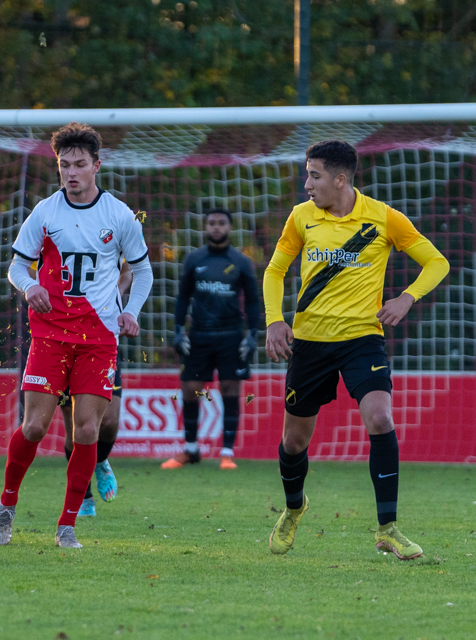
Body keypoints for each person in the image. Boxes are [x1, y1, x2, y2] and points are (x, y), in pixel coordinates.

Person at [264, 140, 449, 559]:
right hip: (309, 342)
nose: (306, 184)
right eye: (307, 174)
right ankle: (294, 509)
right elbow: (275, 270)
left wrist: (407, 298)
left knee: (381, 418)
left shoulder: (384, 218)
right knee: (294, 442)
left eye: (314, 175)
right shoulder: (301, 218)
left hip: (362, 340)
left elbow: (437, 262)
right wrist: (274, 319)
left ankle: (388, 528)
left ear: (340, 179)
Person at [0, 122, 153, 548]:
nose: (72, 172)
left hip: (99, 339)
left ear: (97, 166)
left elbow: (144, 269)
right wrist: (31, 287)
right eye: (65, 165)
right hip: (50, 336)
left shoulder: (118, 214)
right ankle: (6, 505)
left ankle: (67, 525)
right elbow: (15, 267)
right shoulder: (45, 212)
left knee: (86, 431)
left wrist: (131, 311)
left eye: (80, 164)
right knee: (35, 426)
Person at [164, 209, 259, 470]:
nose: (216, 227)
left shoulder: (240, 261)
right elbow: (183, 297)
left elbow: (252, 301)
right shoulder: (194, 259)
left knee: (230, 389)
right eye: (212, 223)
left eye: (221, 223)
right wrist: (178, 330)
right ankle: (191, 450)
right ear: (205, 227)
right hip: (199, 336)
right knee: (190, 389)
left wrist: (252, 334)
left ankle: (227, 453)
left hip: (231, 336)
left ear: (230, 227)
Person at [61, 261, 133, 516]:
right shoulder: (50, 232)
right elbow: (25, 272)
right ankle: (84, 496)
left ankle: (100, 461)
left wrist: (116, 294)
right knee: (75, 429)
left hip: (101, 337)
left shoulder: (110, 230)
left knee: (109, 421)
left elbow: (128, 270)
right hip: (61, 338)